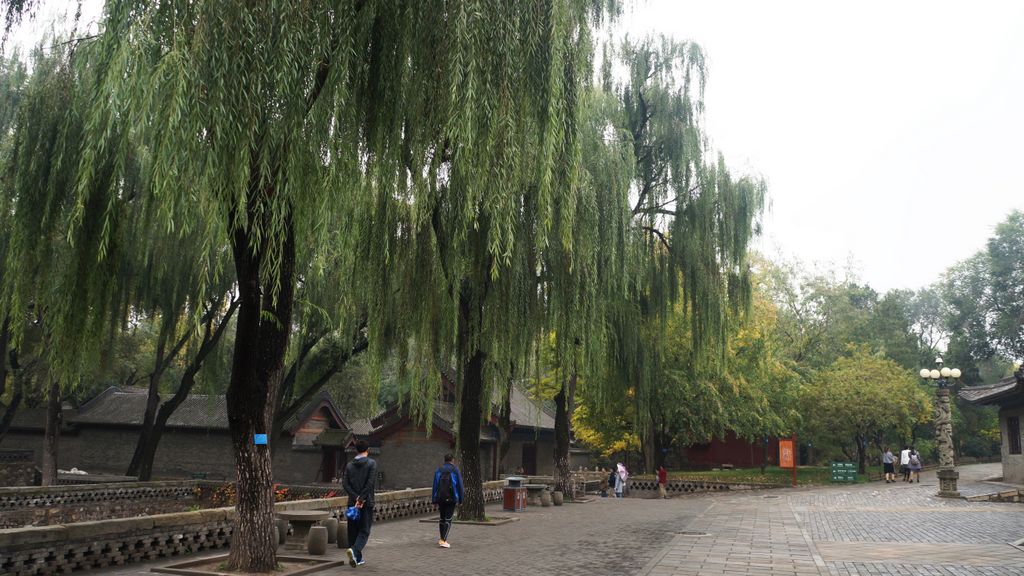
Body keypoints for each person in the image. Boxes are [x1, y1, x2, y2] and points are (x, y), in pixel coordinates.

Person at [343, 439, 377, 567]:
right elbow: (370, 483)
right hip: (366, 502)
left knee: (352, 530)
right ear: (367, 450)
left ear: (356, 450)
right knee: (364, 530)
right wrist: (361, 499)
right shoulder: (371, 463)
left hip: (352, 503)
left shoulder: (349, 465)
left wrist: (355, 498)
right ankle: (355, 551)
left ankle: (357, 558)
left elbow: (345, 484)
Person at [432, 453, 464, 548]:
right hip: (452, 498)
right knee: (448, 519)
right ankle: (443, 540)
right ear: (452, 460)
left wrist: (434, 500)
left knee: (442, 518)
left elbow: (435, 485)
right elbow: (460, 486)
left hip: (440, 498)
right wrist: (461, 500)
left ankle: (442, 538)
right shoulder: (455, 470)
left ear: (444, 460)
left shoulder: (438, 470)